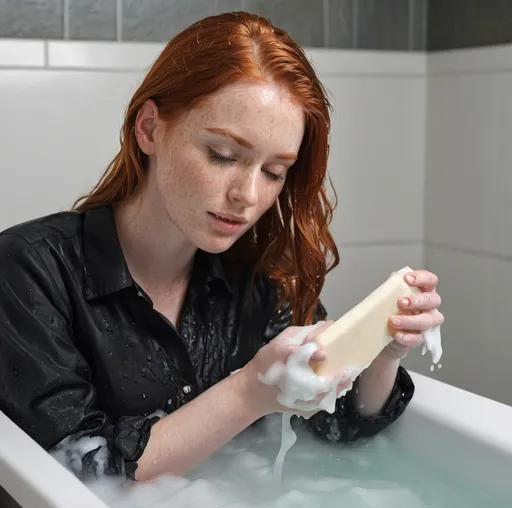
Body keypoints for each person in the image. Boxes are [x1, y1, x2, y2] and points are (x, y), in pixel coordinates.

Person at [0, 12, 444, 483]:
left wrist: (385, 348)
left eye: (274, 171)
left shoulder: (255, 280)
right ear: (149, 128)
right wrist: (248, 392)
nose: (248, 196)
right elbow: (80, 477)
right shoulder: (30, 269)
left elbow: (338, 426)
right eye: (223, 156)